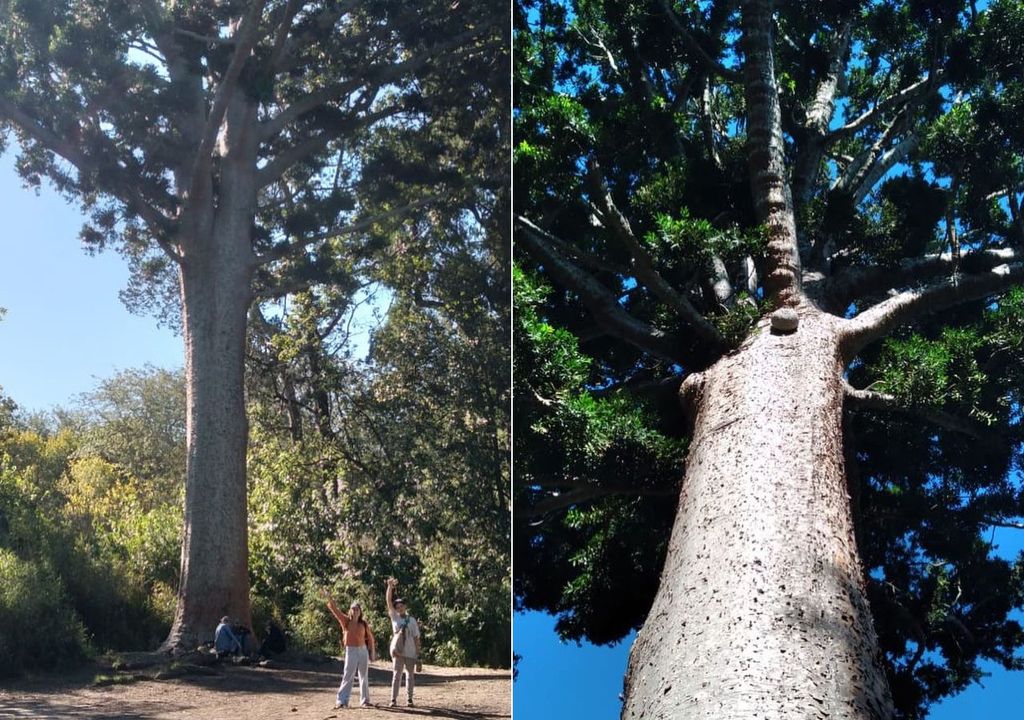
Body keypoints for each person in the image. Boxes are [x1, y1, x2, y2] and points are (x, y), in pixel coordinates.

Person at [323, 590, 377, 709]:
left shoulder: (363, 624)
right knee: (348, 675)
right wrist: (329, 598)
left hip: (362, 650)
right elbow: (335, 610)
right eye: (353, 609)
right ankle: (342, 701)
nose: (355, 611)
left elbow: (370, 638)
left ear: (360, 611)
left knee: (364, 675)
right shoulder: (346, 621)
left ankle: (365, 700)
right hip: (351, 650)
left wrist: (372, 652)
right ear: (350, 611)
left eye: (357, 609)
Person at [385, 578, 422, 708]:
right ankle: (393, 699)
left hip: (410, 651)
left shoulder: (412, 620)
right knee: (396, 675)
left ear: (405, 607)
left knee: (410, 675)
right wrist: (390, 587)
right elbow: (388, 601)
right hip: (398, 651)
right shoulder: (395, 618)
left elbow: (416, 637)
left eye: (401, 606)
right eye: (397, 607)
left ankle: (409, 699)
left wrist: (418, 654)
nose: (399, 608)